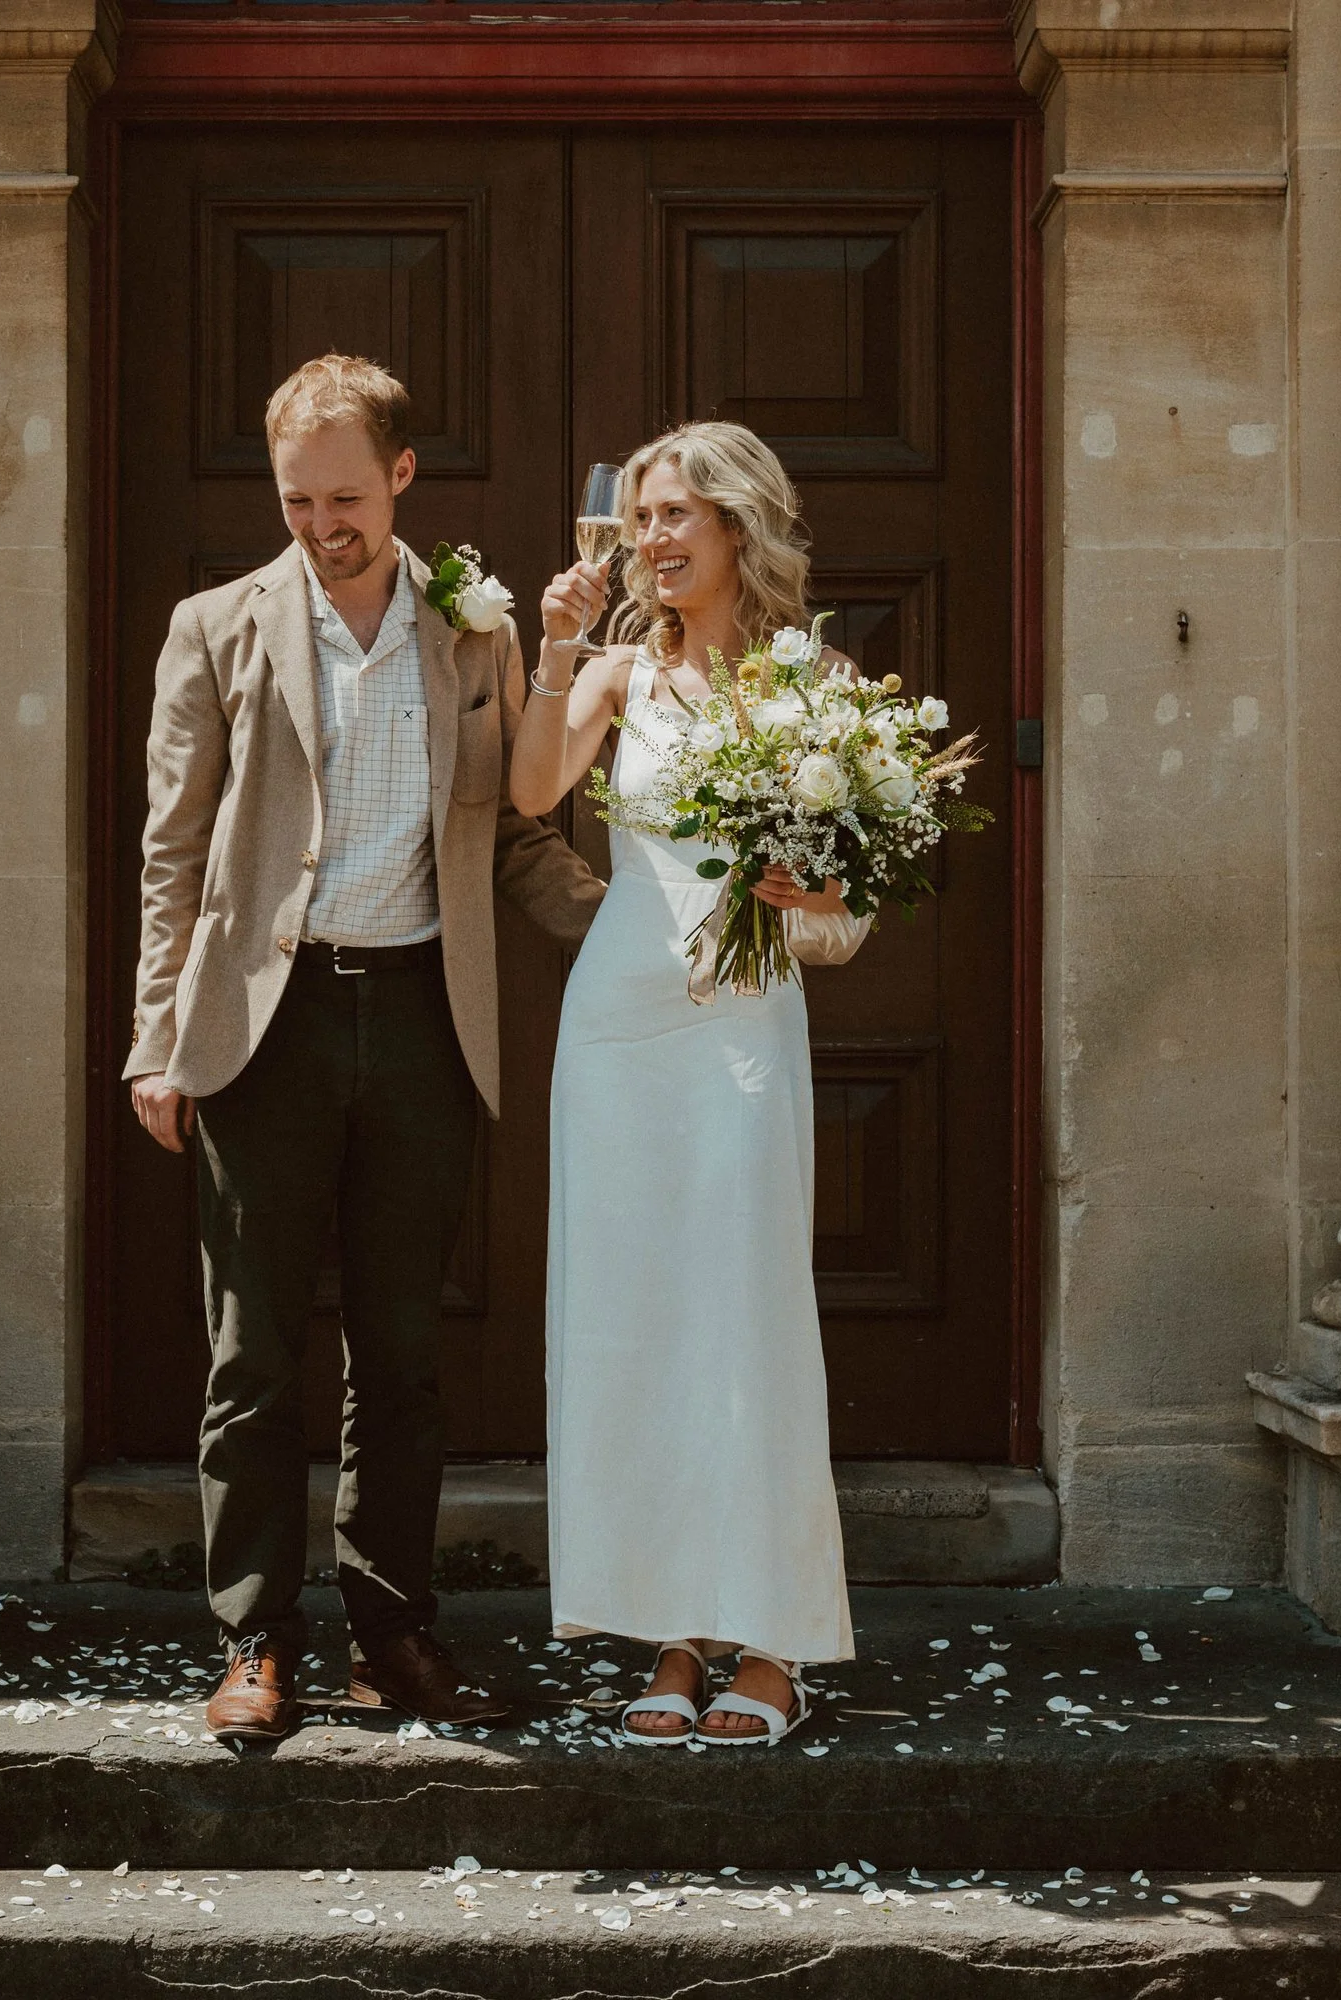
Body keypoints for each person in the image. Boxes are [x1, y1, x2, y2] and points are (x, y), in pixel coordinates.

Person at [126, 354, 604, 1744]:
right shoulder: (215, 628)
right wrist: (158, 1039)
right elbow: (171, 853)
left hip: (417, 1022)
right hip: (257, 1033)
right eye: (295, 498)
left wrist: (630, 925)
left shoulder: (474, 632)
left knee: (399, 1355)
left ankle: (392, 1633)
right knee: (251, 1355)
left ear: (401, 476)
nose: (320, 523)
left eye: (344, 495)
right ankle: (255, 1640)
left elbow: (515, 828)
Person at [510, 420, 862, 1746]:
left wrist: (809, 888)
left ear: (737, 529)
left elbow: (846, 896)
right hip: (617, 1025)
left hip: (743, 1024)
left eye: (676, 517)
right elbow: (533, 785)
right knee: (637, 1322)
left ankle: (771, 1645)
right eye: (641, 517)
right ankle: (667, 1631)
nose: (653, 539)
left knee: (746, 1321)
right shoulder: (610, 676)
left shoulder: (812, 683)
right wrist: (555, 647)